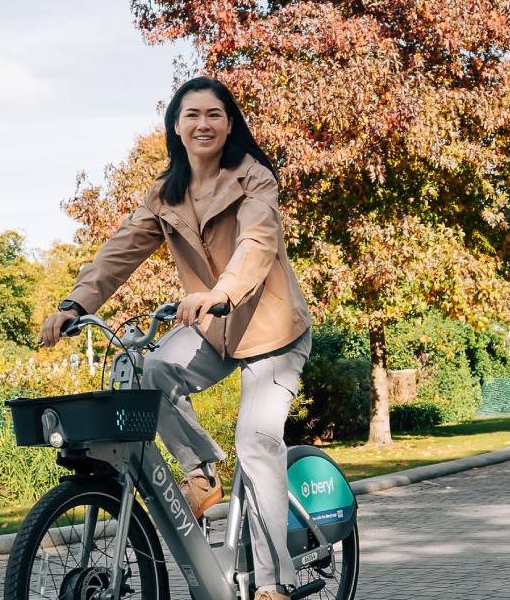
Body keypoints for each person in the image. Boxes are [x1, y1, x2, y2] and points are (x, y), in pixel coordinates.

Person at [39, 76, 311, 600]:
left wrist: (221, 291)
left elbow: (256, 244)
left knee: (256, 441)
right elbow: (118, 252)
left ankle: (275, 583)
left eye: (214, 114)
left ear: (229, 124)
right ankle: (200, 475)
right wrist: (75, 304)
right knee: (148, 370)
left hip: (272, 333)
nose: (203, 124)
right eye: (192, 115)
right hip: (214, 331)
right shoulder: (165, 196)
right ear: (175, 127)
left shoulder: (255, 180)